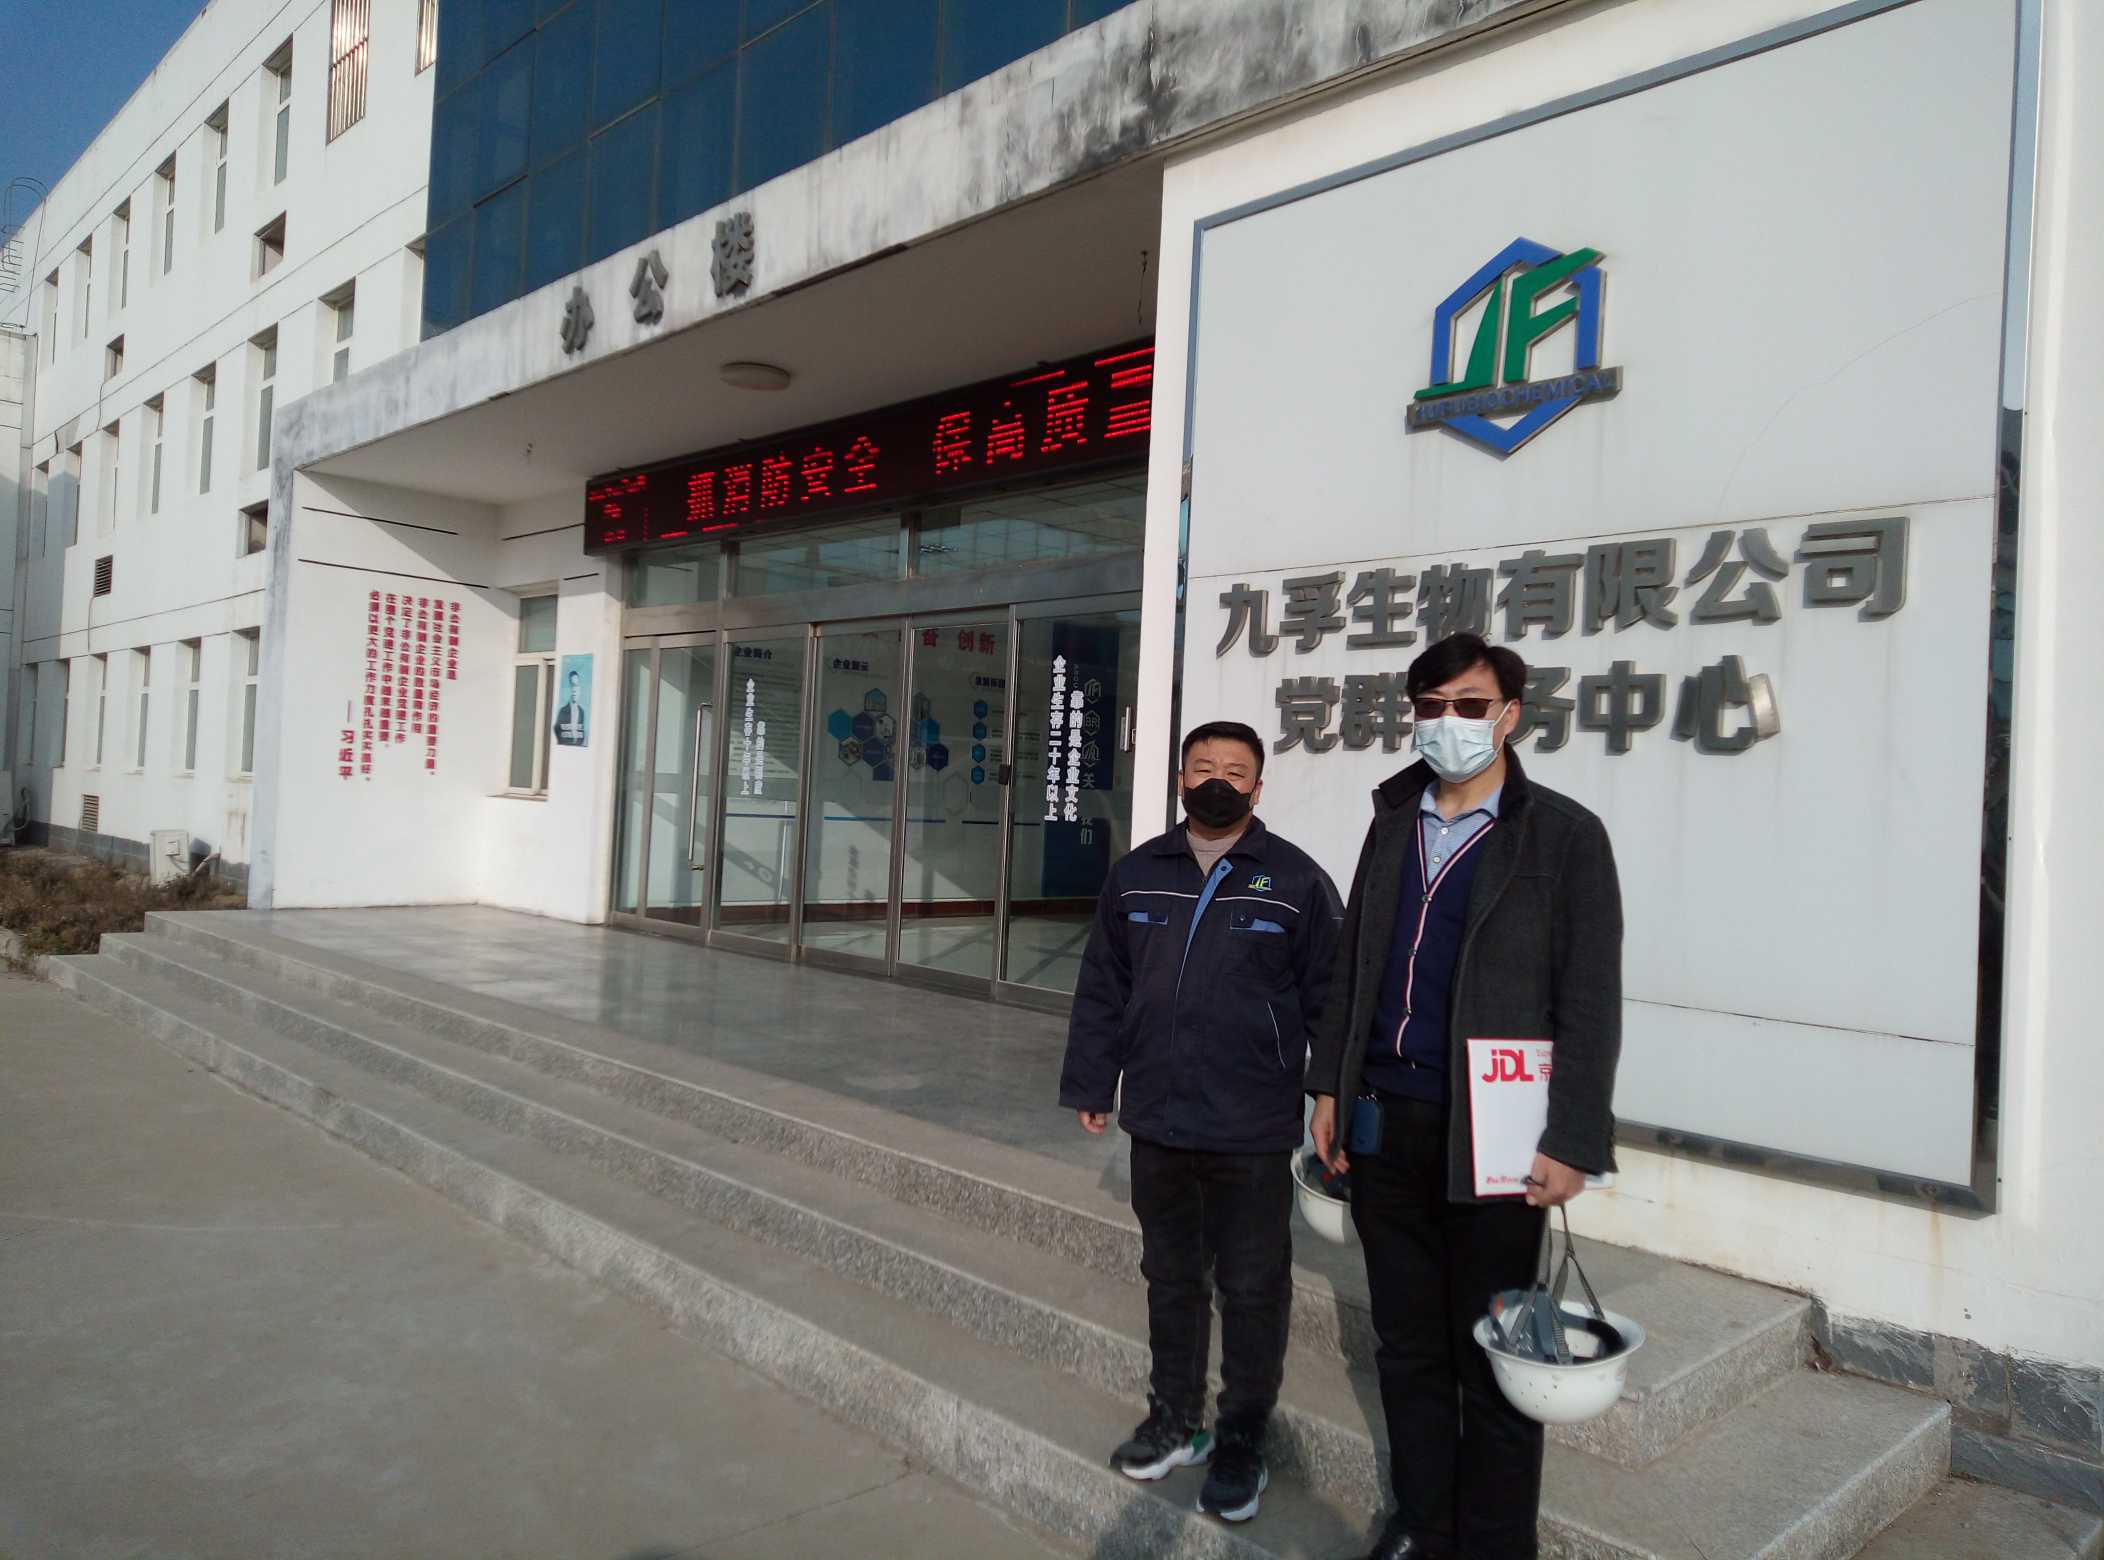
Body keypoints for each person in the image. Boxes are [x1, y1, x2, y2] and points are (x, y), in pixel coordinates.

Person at [1309, 633, 1623, 1560]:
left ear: (1510, 716)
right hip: (1383, 1122)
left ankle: (1495, 1541)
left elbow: (1590, 999)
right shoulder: (1392, 822)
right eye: (1432, 706)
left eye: (1470, 705)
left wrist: (1573, 1136)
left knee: (1494, 1351)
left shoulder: (1562, 836)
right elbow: (1354, 963)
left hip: (1497, 1138)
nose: (1449, 722)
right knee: (1406, 1345)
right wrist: (1328, 1085)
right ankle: (1424, 1521)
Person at [1060, 720, 1342, 1524]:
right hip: (1159, 1119)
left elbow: (1333, 999)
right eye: (1204, 767)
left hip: (1252, 1125)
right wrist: (1093, 1080)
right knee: (1171, 1275)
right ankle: (1175, 1417)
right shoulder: (1138, 874)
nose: (1218, 780)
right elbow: (1104, 984)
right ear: (1181, 779)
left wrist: (1330, 1095)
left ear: (1258, 787)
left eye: (1235, 771)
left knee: (1252, 1287)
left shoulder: (1295, 880)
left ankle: (1242, 1435)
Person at [554, 670, 587, 747]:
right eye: (572, 685)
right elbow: (557, 732)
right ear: (569, 688)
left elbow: (581, 735)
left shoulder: (581, 712)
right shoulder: (562, 711)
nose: (574, 689)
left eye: (577, 686)